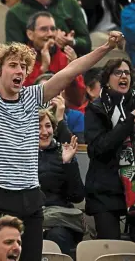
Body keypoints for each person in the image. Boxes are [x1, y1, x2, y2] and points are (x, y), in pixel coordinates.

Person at [0, 31, 124, 261]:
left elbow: (72, 71)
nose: (19, 70)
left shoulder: (33, 96)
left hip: (31, 200)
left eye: (23, 66)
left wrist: (106, 47)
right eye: (13, 65)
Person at [84, 58, 135, 240]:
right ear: (107, 79)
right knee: (110, 246)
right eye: (118, 73)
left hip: (133, 187)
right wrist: (129, 122)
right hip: (104, 190)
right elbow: (99, 148)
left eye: (127, 73)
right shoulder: (96, 109)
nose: (123, 76)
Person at [38, 109, 85, 256]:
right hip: (32, 217)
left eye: (48, 126)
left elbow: (78, 196)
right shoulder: (21, 155)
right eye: (38, 127)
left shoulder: (63, 152)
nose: (45, 131)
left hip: (60, 219)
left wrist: (68, 163)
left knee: (56, 237)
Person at [24, 11, 86, 113]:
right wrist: (44, 68)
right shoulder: (21, 58)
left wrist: (74, 72)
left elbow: (78, 100)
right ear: (30, 34)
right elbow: (23, 99)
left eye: (53, 29)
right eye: (44, 29)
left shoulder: (65, 57)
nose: (50, 34)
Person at [6, 0, 91, 57]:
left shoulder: (70, 3)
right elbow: (15, 54)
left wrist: (72, 42)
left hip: (69, 67)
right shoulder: (15, 13)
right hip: (34, 71)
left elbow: (87, 44)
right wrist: (45, 42)